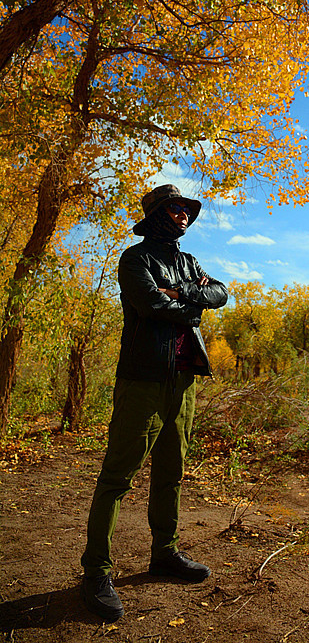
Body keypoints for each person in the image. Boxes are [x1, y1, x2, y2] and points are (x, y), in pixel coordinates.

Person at [81, 184, 228, 621]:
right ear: (158, 214)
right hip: (142, 380)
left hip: (184, 381)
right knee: (117, 478)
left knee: (172, 473)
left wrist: (183, 295)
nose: (182, 213)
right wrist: (188, 298)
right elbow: (150, 306)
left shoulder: (187, 261)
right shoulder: (135, 258)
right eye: (173, 207)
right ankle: (95, 572)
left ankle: (164, 553)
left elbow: (220, 292)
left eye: (186, 208)